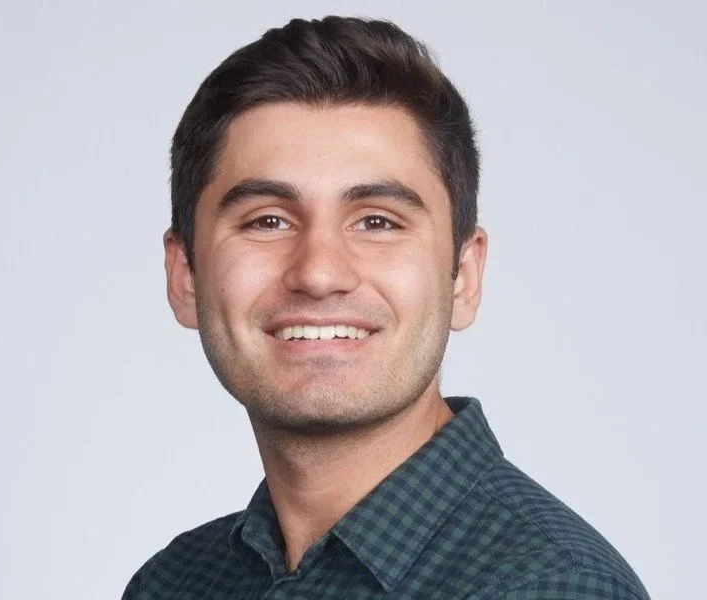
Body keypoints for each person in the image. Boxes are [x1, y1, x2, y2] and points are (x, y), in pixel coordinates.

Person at [121, 16, 650, 600]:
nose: (320, 273)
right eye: (267, 221)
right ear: (184, 275)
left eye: (378, 221)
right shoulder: (175, 583)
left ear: (463, 276)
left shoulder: (554, 587)